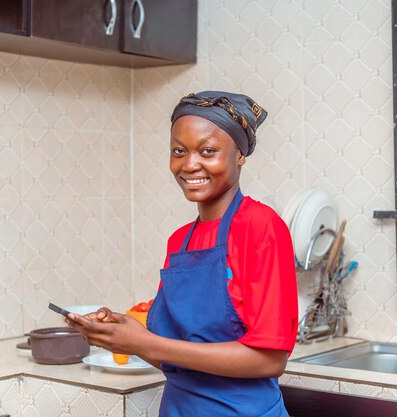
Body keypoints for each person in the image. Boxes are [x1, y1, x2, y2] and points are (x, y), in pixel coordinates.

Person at [66, 91, 298, 417]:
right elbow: (173, 358)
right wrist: (120, 337)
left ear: (240, 155)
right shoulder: (180, 241)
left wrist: (145, 342)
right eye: (179, 151)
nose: (190, 164)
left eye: (208, 151)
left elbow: (271, 360)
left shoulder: (260, 226)